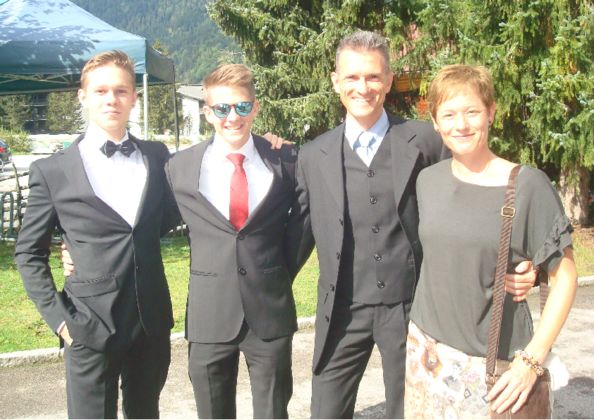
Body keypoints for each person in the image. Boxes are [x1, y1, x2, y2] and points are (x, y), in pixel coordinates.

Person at [292, 31, 537, 418]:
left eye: (373, 76)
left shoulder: (425, 141)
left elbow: (474, 195)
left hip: (413, 308)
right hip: (341, 310)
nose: (363, 87)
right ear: (336, 81)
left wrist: (522, 262)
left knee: (410, 411)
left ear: (389, 80)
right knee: (325, 411)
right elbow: (298, 235)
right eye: (352, 77)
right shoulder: (311, 156)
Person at [404, 64, 577, 418]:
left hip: (493, 368)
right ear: (435, 122)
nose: (461, 125)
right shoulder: (427, 181)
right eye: (448, 114)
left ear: (491, 112)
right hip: (426, 356)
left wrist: (531, 361)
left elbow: (565, 277)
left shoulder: (527, 186)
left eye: (472, 112)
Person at [15, 51, 179, 418]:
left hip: (150, 323)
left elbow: (165, 218)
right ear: (83, 96)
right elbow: (28, 253)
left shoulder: (157, 156)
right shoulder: (52, 171)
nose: (111, 99)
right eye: (101, 91)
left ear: (134, 97)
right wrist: (60, 319)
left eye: (121, 91)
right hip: (87, 325)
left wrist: (263, 144)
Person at [164, 64, 313, 418]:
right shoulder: (179, 168)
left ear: (255, 108)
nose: (233, 117)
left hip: (269, 311)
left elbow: (305, 224)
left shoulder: (285, 160)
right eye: (222, 108)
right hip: (209, 314)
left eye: (242, 106)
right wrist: (74, 248)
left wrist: (276, 273)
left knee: (273, 412)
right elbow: (147, 223)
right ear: (207, 112)